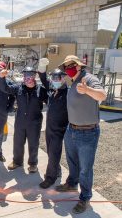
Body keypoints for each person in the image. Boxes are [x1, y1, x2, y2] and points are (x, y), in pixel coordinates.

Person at [55, 55, 106, 214]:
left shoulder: (88, 79)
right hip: (72, 130)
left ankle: (85, 197)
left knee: (85, 168)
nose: (67, 68)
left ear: (78, 66)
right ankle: (72, 183)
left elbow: (102, 95)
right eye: (65, 66)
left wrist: (87, 90)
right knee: (72, 162)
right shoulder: (73, 81)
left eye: (70, 65)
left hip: (88, 132)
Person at [0, 66, 47, 173]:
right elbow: (5, 88)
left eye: (30, 75)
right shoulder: (18, 88)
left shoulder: (41, 90)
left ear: (35, 76)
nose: (28, 77)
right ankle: (17, 161)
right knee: (18, 142)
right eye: (26, 75)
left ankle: (33, 164)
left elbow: (51, 100)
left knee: (33, 144)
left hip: (34, 122)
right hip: (20, 121)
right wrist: (2, 78)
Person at [37, 58, 69, 188]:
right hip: (49, 128)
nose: (55, 81)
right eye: (54, 78)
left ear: (63, 79)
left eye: (58, 78)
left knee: (54, 152)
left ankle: (50, 178)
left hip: (59, 129)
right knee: (51, 152)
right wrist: (42, 65)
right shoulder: (51, 89)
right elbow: (43, 77)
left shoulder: (68, 93)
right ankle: (58, 170)